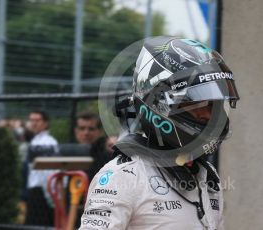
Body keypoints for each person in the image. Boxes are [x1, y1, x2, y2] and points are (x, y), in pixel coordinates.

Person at [79, 36, 239, 229]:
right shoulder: (123, 176)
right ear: (159, 104)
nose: (208, 116)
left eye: (213, 106)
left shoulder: (207, 174)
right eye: (197, 105)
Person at [25, 110, 59, 226]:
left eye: (37, 120)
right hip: (36, 190)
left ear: (45, 123)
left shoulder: (48, 142)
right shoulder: (35, 141)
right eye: (32, 120)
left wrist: (49, 194)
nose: (34, 123)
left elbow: (49, 170)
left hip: (43, 191)